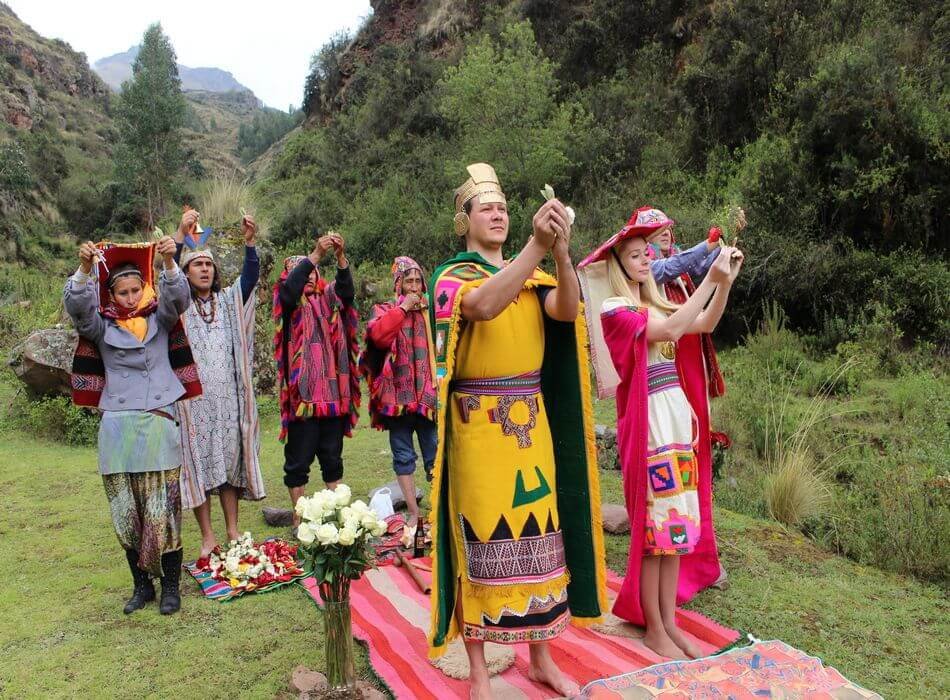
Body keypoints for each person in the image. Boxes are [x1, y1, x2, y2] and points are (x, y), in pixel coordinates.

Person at [427, 163, 607, 699]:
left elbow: (567, 309)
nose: (498, 213)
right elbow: (482, 306)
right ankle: (480, 676)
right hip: (479, 428)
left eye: (503, 206)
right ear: (464, 222)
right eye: (487, 207)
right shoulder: (451, 278)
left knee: (541, 540)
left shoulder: (534, 275)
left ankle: (542, 659)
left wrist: (561, 252)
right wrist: (535, 246)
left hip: (532, 423)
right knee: (484, 544)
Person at [577, 208, 743, 659]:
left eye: (645, 254)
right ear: (617, 265)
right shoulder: (617, 310)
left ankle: (668, 621)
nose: (645, 260)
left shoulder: (654, 302)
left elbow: (703, 324)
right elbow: (671, 329)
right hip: (648, 424)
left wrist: (723, 282)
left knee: (676, 529)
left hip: (674, 419)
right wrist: (709, 278)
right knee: (654, 534)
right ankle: (652, 626)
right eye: (634, 256)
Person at [66, 236, 199, 615]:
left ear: (144, 288)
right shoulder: (99, 326)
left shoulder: (161, 316)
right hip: (118, 425)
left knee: (165, 507)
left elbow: (179, 298)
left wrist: (171, 264)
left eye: (134, 289)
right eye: (121, 292)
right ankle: (142, 587)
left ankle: (171, 587)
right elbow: (77, 306)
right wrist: (84, 269)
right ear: (110, 295)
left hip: (159, 418)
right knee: (126, 510)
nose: (128, 297)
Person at [172, 209, 266, 558]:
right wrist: (180, 236)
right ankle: (208, 535)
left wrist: (250, 243)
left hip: (228, 400)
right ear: (185, 272)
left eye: (209, 265)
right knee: (199, 465)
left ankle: (231, 529)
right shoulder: (179, 304)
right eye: (197, 265)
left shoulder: (227, 302)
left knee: (228, 464)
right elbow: (166, 282)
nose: (205, 269)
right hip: (193, 402)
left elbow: (250, 279)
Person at [272, 233, 360, 528]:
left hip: (333, 396)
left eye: (313, 273)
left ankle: (334, 515)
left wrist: (340, 258)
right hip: (302, 399)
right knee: (298, 462)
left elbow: (347, 292)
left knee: (332, 459)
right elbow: (289, 290)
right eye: (303, 273)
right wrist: (315, 254)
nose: (309, 278)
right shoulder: (288, 302)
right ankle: (300, 520)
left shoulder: (328, 300)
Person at [361, 256, 438, 523]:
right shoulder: (384, 309)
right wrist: (404, 308)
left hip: (428, 397)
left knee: (435, 454)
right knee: (404, 456)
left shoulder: (432, 312)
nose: (414, 286)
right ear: (399, 284)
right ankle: (414, 513)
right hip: (397, 400)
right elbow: (379, 336)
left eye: (418, 281)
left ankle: (439, 507)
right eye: (408, 281)